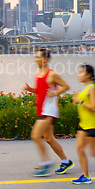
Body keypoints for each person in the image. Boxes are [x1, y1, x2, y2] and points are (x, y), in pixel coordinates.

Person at [22, 48, 74, 177]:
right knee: (49, 138)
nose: (36, 60)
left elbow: (66, 86)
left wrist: (55, 93)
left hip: (49, 110)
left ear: (46, 59)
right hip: (41, 108)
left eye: (39, 57)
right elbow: (40, 91)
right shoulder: (38, 74)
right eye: (35, 57)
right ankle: (66, 161)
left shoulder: (52, 74)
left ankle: (46, 163)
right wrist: (30, 89)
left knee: (35, 135)